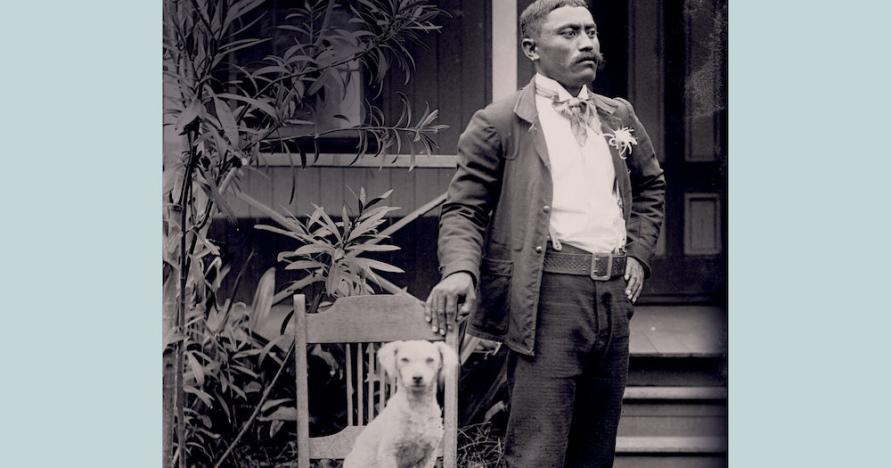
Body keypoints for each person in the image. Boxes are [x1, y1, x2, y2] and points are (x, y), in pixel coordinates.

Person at [424, 0, 665, 467]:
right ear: (531, 48)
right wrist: (459, 271)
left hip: (613, 298)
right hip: (547, 293)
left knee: (595, 450)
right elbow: (463, 210)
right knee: (538, 450)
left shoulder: (618, 116)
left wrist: (638, 254)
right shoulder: (499, 121)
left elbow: (651, 184)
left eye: (591, 32)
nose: (587, 43)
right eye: (570, 33)